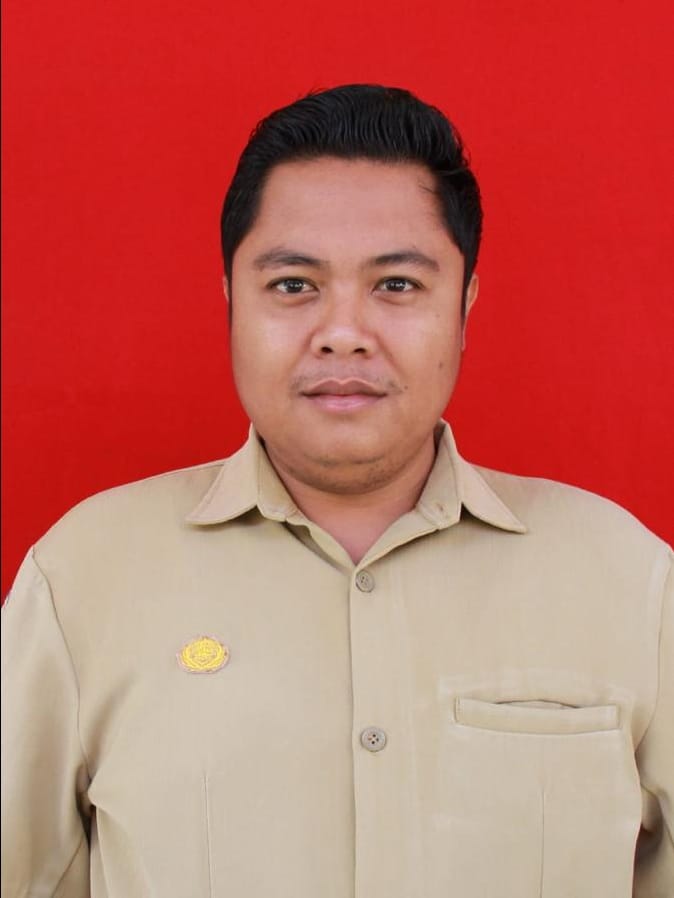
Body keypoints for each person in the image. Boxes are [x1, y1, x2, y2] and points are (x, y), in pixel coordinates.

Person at [1, 84, 672, 898]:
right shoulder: (83, 579)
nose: (344, 332)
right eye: (293, 285)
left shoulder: (630, 583)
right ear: (230, 301)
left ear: (465, 305)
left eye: (397, 285)